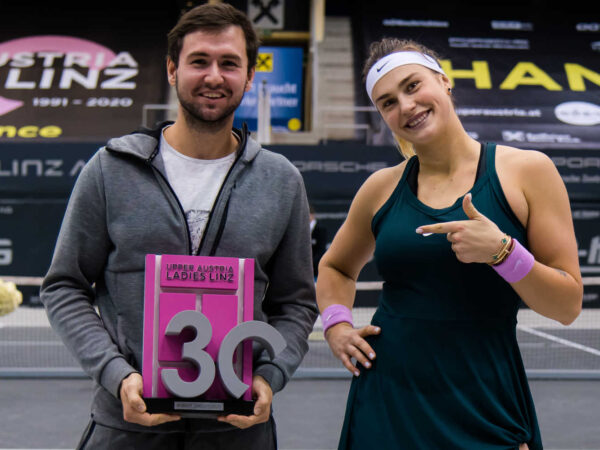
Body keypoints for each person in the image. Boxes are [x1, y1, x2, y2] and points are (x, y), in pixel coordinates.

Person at [40, 3, 318, 449]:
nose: (213, 76)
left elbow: (297, 305)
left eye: (230, 63)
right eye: (199, 61)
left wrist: (269, 376)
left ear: (250, 77)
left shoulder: (281, 180)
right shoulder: (111, 169)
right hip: (126, 427)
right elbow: (64, 286)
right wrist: (118, 375)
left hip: (238, 431)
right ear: (172, 69)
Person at [316, 37, 583, 450]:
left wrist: (504, 254)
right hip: (387, 402)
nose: (405, 106)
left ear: (444, 81)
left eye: (412, 86)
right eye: (387, 102)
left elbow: (566, 306)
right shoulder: (380, 188)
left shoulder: (527, 171)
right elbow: (335, 268)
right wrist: (336, 324)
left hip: (484, 405)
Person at [309, 204, 328, 278]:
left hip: (316, 268)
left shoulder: (321, 229)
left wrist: (312, 264)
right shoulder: (302, 229)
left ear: (312, 215)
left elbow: (321, 249)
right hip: (305, 269)